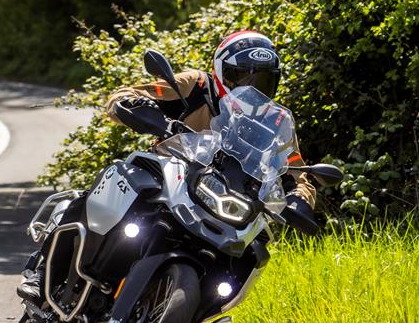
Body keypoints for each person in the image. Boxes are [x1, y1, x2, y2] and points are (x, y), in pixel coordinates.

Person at [17, 30, 316, 303]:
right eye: (241, 77)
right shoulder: (195, 85)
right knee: (110, 183)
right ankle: (41, 271)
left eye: (262, 81)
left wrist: (300, 198)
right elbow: (132, 95)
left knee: (250, 251)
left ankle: (184, 316)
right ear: (221, 71)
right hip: (170, 172)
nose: (250, 88)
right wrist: (138, 110)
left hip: (221, 198)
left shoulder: (274, 122)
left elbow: (294, 170)